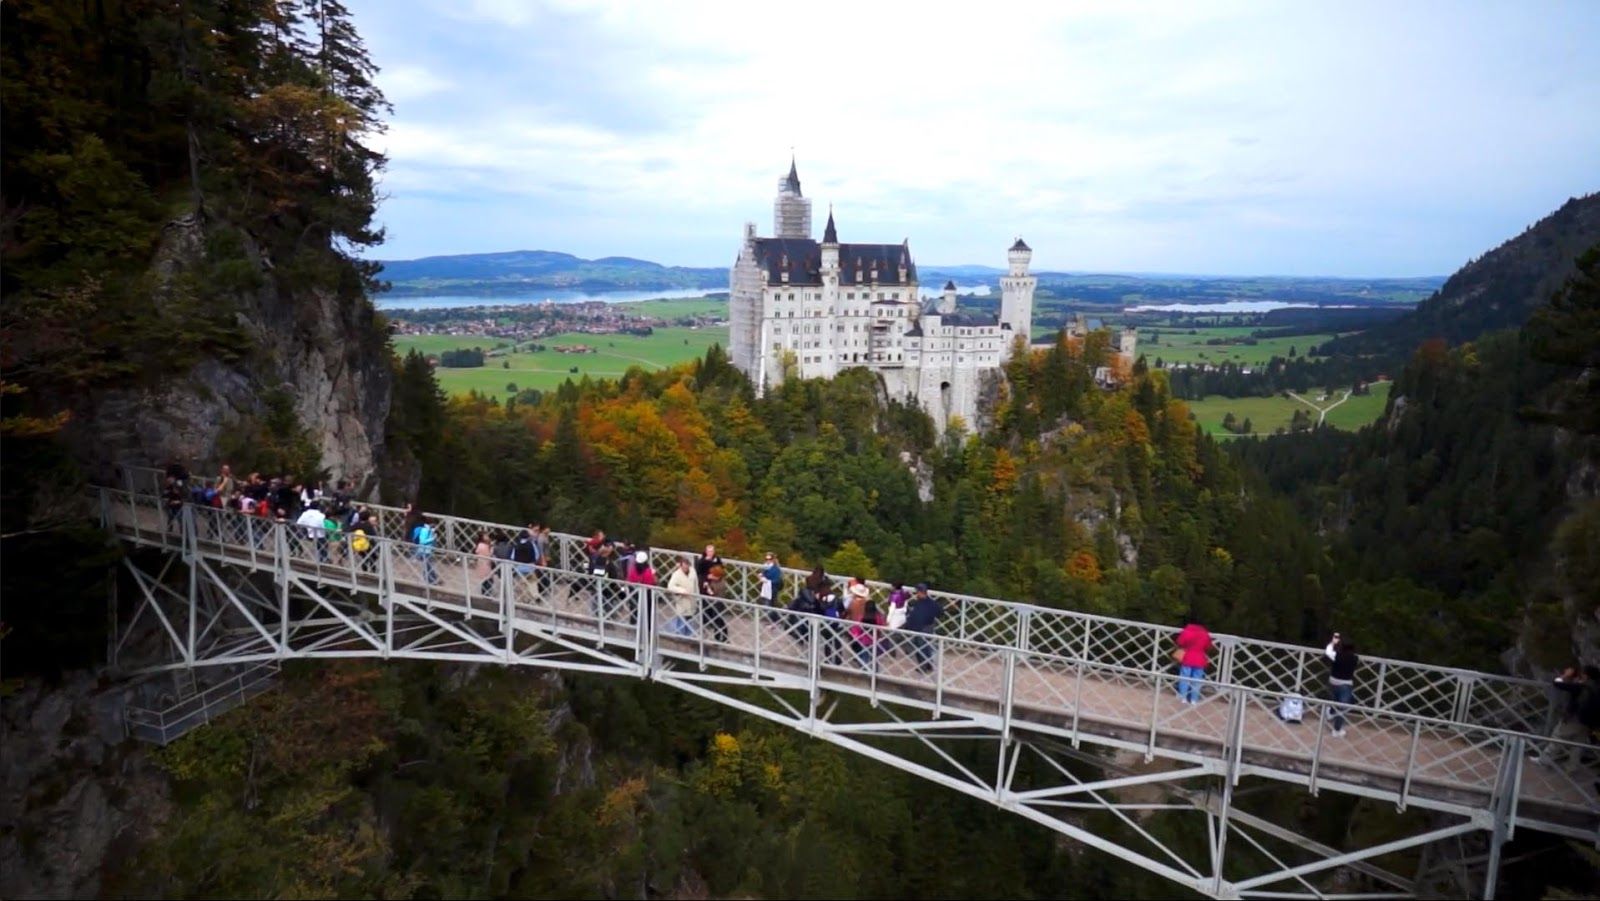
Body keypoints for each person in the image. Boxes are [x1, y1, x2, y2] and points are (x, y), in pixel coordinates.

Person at [1542, 665, 1600, 765]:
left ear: (1586, 675)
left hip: (1574, 718)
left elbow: (1557, 683)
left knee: (1558, 737)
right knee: (1578, 745)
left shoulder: (1582, 686)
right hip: (1588, 722)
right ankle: (1572, 768)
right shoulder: (1597, 687)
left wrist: (1565, 675)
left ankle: (1544, 760)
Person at [1324, 633, 1359, 736]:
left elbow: (1328, 651)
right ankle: (1337, 730)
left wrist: (1332, 643)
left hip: (1333, 681)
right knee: (1342, 707)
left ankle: (1330, 711)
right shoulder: (1355, 658)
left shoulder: (1337, 655)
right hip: (1345, 683)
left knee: (1334, 700)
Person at [903, 584, 943, 673]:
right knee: (921, 646)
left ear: (921, 592)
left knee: (922, 646)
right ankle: (927, 665)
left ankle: (924, 666)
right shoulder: (920, 602)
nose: (917, 594)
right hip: (919, 627)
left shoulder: (929, 603)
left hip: (925, 627)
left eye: (918, 592)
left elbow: (940, 611)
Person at [1173, 616, 1213, 705]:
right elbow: (1208, 646)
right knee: (1197, 680)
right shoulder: (1205, 633)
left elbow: (1180, 642)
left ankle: (1183, 697)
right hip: (1200, 658)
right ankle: (1194, 699)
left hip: (1187, 657)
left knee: (1184, 678)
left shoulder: (1187, 631)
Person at [665, 559, 697, 636]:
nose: (685, 568)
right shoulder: (676, 574)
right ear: (681, 566)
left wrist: (697, 596)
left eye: (687, 567)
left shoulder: (692, 571)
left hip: (692, 598)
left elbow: (696, 584)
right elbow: (670, 586)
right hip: (682, 599)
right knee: (681, 617)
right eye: (684, 567)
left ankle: (689, 635)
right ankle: (680, 634)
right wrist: (681, 590)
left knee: (690, 616)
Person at [703, 564, 730, 644]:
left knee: (718, 619)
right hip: (715, 602)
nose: (710, 575)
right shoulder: (717, 581)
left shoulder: (720, 584)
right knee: (717, 619)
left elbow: (712, 593)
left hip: (718, 602)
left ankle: (720, 637)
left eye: (713, 575)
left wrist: (708, 587)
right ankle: (720, 636)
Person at [474, 532, 495, 597]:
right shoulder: (486, 546)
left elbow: (476, 552)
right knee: (489, 579)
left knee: (484, 579)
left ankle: (484, 593)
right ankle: (487, 594)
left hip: (481, 563)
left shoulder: (479, 545)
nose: (487, 537)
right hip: (486, 564)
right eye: (486, 536)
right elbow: (490, 554)